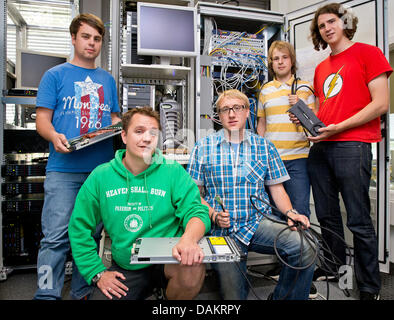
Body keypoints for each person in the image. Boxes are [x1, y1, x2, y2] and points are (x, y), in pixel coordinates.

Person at [68, 107, 211, 300]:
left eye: (153, 133)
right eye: (139, 131)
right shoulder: (101, 176)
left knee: (192, 270)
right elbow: (79, 228)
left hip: (170, 258)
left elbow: (196, 211)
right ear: (124, 136)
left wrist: (189, 239)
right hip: (128, 264)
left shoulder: (172, 171)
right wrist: (98, 272)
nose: (147, 138)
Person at [187, 89, 316, 300]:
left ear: (247, 112)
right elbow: (194, 194)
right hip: (222, 231)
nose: (231, 114)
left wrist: (291, 212)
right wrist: (212, 215)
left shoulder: (265, 147)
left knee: (305, 245)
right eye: (225, 109)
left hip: (256, 223)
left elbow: (277, 189)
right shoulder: (203, 147)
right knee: (234, 297)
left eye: (237, 108)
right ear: (218, 116)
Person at [304, 3, 392, 300]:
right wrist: (308, 120)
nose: (327, 28)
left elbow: (380, 104)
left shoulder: (368, 53)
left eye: (331, 22)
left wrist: (338, 126)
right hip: (321, 148)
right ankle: (334, 267)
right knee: (327, 217)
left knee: (358, 219)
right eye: (321, 26)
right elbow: (325, 109)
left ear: (344, 23)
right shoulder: (321, 68)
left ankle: (369, 287)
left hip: (353, 145)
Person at [34, 13, 121, 300]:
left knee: (90, 236)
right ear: (74, 38)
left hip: (99, 172)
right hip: (63, 170)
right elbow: (42, 121)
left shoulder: (107, 79)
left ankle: (82, 291)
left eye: (97, 39)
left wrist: (123, 125)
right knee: (55, 238)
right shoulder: (54, 75)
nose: (91, 43)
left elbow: (113, 118)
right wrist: (54, 136)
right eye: (86, 37)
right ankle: (47, 293)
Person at [257, 40, 315, 219]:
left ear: (292, 61)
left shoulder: (305, 88)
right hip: (273, 160)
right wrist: (263, 153)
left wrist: (300, 106)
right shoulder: (265, 90)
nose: (280, 62)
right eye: (276, 59)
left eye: (284, 57)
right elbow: (262, 125)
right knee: (275, 213)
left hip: (298, 159)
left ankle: (301, 247)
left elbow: (314, 126)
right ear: (271, 64)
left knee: (299, 212)